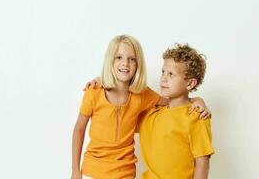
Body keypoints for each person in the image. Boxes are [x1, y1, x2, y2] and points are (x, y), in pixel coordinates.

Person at [71, 35, 211, 179]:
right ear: (110, 60)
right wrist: (75, 170)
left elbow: (175, 103)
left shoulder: (145, 96)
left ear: (138, 64)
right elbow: (80, 129)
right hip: (93, 170)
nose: (125, 63)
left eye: (132, 59)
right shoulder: (95, 91)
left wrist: (196, 100)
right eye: (118, 57)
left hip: (125, 173)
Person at [137, 44, 214, 179]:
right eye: (163, 72)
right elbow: (123, 101)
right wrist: (102, 82)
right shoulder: (151, 114)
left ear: (190, 84)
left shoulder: (196, 116)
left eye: (171, 74)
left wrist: (198, 101)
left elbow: (202, 161)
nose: (163, 78)